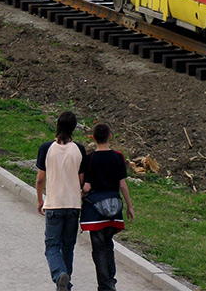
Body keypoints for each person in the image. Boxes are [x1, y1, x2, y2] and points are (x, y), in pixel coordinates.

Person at [80, 122, 135, 291]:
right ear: (110, 136)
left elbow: (87, 186)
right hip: (114, 208)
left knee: (98, 249)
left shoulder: (89, 158)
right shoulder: (118, 157)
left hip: (95, 211)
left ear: (93, 138)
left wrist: (79, 196)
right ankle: (111, 280)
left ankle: (104, 285)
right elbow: (123, 185)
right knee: (109, 245)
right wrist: (129, 206)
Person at [36, 110, 87, 291]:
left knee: (51, 246)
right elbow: (82, 180)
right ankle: (66, 284)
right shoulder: (79, 150)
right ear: (74, 128)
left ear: (57, 125)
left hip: (54, 204)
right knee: (67, 247)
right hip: (73, 205)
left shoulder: (46, 148)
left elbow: (40, 178)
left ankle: (59, 276)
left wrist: (40, 199)